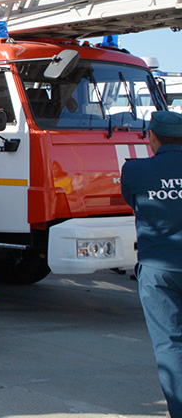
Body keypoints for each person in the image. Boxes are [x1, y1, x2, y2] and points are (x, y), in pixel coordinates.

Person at [121, 110, 182, 417]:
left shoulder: (135, 170)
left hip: (159, 269)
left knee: (170, 346)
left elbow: (134, 203)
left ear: (152, 138)